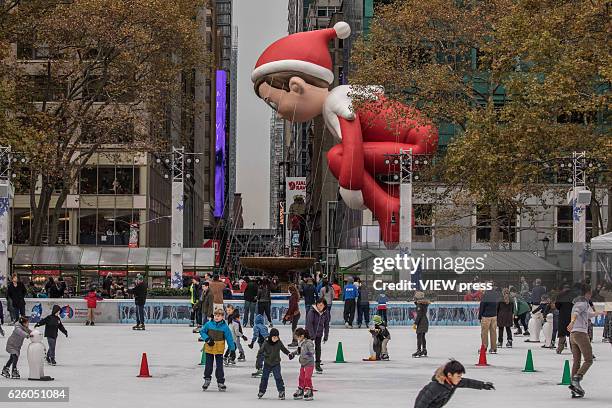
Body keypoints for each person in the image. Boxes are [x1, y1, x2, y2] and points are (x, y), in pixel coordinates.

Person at [566, 285, 605, 398]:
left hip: (573, 335)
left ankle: (573, 387)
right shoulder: (582, 303)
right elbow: (576, 313)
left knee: (577, 361)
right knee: (588, 360)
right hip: (580, 334)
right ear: (587, 293)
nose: (591, 296)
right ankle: (577, 379)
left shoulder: (578, 303)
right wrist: (572, 322)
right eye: (590, 294)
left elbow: (585, 314)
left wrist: (598, 313)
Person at [413, 360, 495, 408]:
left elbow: (467, 382)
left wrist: (483, 385)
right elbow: (422, 403)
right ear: (449, 375)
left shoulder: (453, 381)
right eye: (458, 376)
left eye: (460, 376)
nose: (460, 379)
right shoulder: (436, 387)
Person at [199, 309, 236, 391]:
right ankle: (207, 379)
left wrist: (232, 349)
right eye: (215, 315)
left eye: (218, 316)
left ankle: (220, 382)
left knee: (219, 366)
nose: (216, 317)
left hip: (219, 349)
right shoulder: (209, 324)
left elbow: (229, 338)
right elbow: (202, 331)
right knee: (208, 365)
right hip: (209, 348)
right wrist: (207, 339)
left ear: (222, 317)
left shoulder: (225, 327)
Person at [256, 328, 293, 400]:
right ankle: (261, 391)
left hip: (276, 363)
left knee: (278, 377)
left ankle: (281, 391)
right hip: (267, 363)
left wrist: (289, 354)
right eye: (274, 337)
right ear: (271, 336)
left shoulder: (279, 342)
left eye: (277, 337)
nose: (276, 338)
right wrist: (258, 362)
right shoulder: (266, 343)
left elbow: (283, 349)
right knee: (264, 378)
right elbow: (260, 352)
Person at [305, 298, 330, 374]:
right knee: (308, 349)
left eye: (322, 305)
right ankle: (307, 364)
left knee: (318, 349)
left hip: (319, 334)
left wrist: (326, 335)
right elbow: (309, 324)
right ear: (317, 304)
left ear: (324, 305)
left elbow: (326, 324)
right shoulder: (312, 312)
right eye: (319, 304)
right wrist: (312, 335)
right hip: (309, 334)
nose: (320, 306)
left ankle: (318, 365)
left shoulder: (325, 313)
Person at [290, 328, 315, 401]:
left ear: (302, 336)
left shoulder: (308, 343)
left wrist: (307, 354)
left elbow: (312, 352)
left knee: (307, 377)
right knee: (301, 377)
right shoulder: (300, 343)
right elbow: (298, 351)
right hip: (303, 363)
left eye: (298, 337)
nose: (297, 338)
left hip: (309, 363)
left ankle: (309, 390)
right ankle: (301, 389)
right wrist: (292, 354)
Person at [478, 286, 499, 353]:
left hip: (486, 316)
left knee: (484, 333)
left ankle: (484, 347)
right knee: (493, 332)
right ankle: (494, 348)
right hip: (494, 316)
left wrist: (479, 316)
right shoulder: (495, 296)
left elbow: (482, 306)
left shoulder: (485, 296)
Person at [413, 291, 430, 357]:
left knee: (419, 336)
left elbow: (419, 315)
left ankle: (419, 350)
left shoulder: (419, 305)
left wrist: (415, 323)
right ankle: (424, 350)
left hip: (421, 322)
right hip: (425, 321)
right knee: (422, 336)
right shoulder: (423, 304)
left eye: (415, 297)